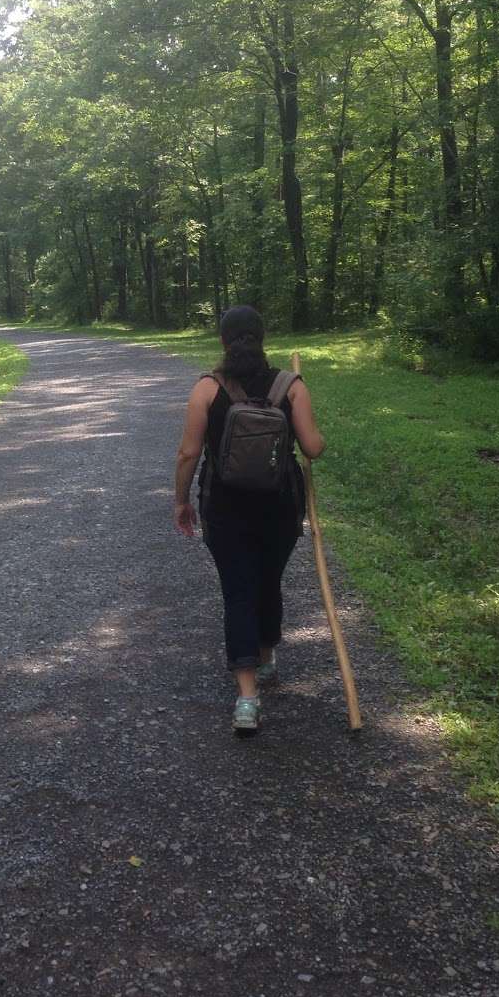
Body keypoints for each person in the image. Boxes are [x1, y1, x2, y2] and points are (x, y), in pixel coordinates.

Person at [174, 305, 325, 735]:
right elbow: (312, 448)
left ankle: (246, 700)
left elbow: (188, 453)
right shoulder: (290, 385)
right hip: (280, 509)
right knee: (267, 581)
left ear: (222, 341)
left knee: (238, 591)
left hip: (224, 508)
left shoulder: (207, 388)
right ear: (262, 339)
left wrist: (180, 501)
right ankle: (266, 655)